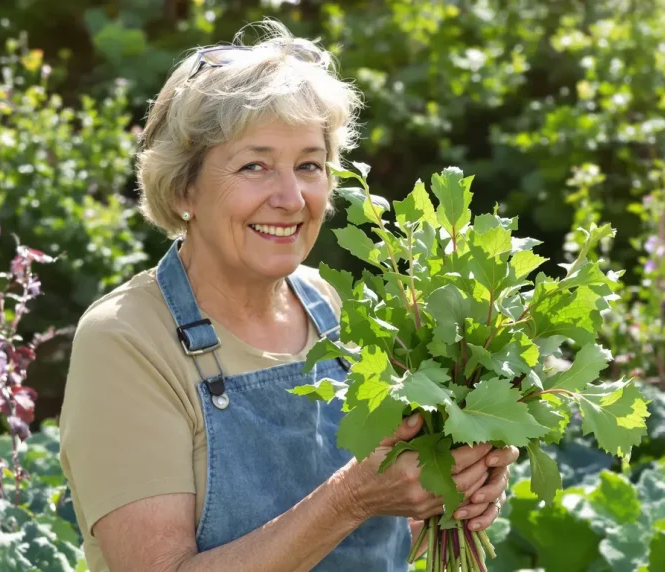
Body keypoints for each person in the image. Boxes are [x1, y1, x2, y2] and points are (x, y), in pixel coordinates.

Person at [57, 19, 518, 572]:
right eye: (254, 166)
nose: (292, 197)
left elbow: (371, 544)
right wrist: (352, 498)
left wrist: (446, 492)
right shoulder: (127, 340)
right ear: (183, 189)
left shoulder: (331, 308)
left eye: (308, 166)